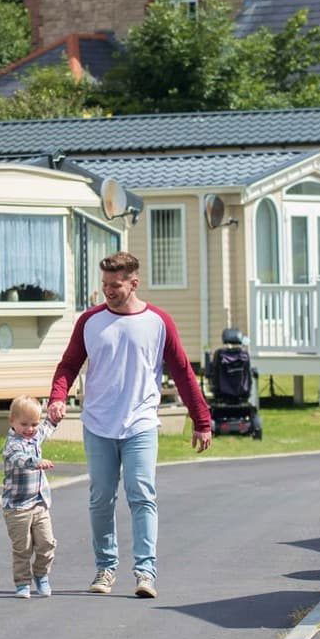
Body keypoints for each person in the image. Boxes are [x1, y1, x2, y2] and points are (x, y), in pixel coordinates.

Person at [47, 252, 211, 599]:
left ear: (133, 283)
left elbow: (182, 371)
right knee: (101, 498)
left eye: (115, 285)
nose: (108, 290)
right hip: (98, 422)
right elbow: (69, 365)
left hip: (140, 422)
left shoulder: (158, 321)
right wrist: (57, 397)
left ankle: (145, 572)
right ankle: (106, 569)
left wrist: (202, 420)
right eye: (104, 284)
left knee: (141, 494)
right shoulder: (90, 321)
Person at [1, 396, 56, 599]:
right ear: (12, 422)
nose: (29, 429)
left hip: (39, 503)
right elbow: (19, 460)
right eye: (24, 424)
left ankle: (41, 574)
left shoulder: (35, 436)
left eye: (34, 424)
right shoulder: (12, 444)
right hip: (17, 507)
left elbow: (47, 428)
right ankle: (23, 582)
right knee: (22, 548)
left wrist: (55, 416)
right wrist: (36, 462)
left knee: (46, 543)